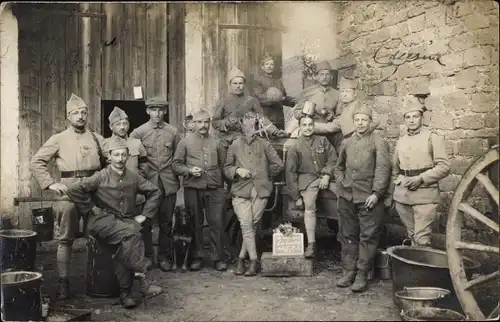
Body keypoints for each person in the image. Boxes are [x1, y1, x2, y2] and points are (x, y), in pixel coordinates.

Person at [65, 136, 163, 309]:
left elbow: (155, 192)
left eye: (123, 155)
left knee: (127, 242)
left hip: (124, 221)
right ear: (109, 156)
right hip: (102, 221)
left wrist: (145, 215)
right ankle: (141, 282)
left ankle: (125, 294)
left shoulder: (133, 177)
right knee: (131, 235)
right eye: (116, 155)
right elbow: (74, 189)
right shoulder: (100, 176)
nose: (120, 159)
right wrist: (91, 208)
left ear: (127, 156)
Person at [30, 93, 105, 300]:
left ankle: (96, 280)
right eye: (75, 113)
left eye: (83, 112)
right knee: (65, 240)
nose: (80, 116)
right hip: (69, 194)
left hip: (93, 193)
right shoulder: (59, 139)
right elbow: (37, 162)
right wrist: (51, 183)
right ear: (68, 117)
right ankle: (64, 281)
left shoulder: (97, 138)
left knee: (97, 236)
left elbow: (112, 159)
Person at [334, 103, 391, 293]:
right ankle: (349, 271)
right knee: (348, 235)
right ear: (353, 122)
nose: (360, 123)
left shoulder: (378, 141)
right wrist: (341, 182)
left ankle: (361, 274)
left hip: (368, 198)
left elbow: (383, 169)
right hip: (347, 197)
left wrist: (376, 193)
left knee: (368, 236)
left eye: (364, 120)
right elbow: (338, 166)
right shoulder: (347, 142)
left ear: (370, 122)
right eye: (357, 120)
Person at [223, 108, 284, 276]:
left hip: (260, 190)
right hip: (240, 190)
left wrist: (264, 175)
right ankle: (254, 260)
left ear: (257, 126)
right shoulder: (235, 145)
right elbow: (226, 168)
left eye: (253, 125)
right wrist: (237, 170)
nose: (249, 129)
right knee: (246, 224)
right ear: (241, 125)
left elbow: (278, 164)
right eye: (246, 125)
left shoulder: (264, 144)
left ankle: (241, 259)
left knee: (251, 225)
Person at [388, 96, 450, 247]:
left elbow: (444, 166)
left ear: (422, 118)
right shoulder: (401, 141)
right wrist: (395, 188)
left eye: (415, 116)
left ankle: (424, 268)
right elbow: (395, 169)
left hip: (425, 195)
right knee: (412, 236)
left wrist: (421, 178)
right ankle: (413, 268)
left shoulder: (432, 137)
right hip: (403, 196)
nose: (411, 120)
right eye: (408, 117)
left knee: (422, 239)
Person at [172, 109, 228, 271]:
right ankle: (197, 256)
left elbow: (224, 166)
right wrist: (189, 171)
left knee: (216, 223)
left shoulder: (217, 142)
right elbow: (176, 165)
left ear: (209, 123)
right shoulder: (185, 142)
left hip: (215, 188)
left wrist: (225, 186)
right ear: (192, 124)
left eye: (205, 122)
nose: (203, 125)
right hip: (193, 188)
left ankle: (217, 258)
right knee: (195, 223)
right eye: (199, 122)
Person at [130, 97, 181, 272]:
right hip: (147, 185)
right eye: (153, 110)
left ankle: (164, 256)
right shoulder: (138, 133)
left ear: (165, 112)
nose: (157, 114)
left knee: (167, 222)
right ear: (147, 111)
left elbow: (178, 158)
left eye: (160, 110)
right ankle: (147, 256)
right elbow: (133, 160)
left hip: (168, 182)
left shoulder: (173, 132)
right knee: (146, 222)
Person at [104, 106, 153, 269]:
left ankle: (143, 259)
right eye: (118, 124)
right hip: (112, 196)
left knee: (140, 228)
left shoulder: (136, 143)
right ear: (111, 126)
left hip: (135, 194)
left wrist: (136, 183)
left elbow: (144, 167)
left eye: (125, 123)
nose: (122, 127)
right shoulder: (105, 144)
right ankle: (117, 262)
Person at [285, 115, 338, 259]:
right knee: (309, 206)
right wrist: (296, 197)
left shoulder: (323, 140)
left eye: (310, 125)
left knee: (344, 196)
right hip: (307, 180)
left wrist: (327, 174)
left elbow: (333, 159)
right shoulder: (294, 146)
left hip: (325, 177)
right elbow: (290, 173)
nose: (308, 128)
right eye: (304, 125)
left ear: (313, 127)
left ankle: (346, 237)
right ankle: (312, 243)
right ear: (300, 127)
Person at [212, 67, 289, 153]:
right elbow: (215, 122)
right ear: (230, 84)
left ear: (244, 84)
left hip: (247, 138)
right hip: (227, 139)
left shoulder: (252, 100)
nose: (238, 86)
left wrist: (275, 131)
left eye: (240, 83)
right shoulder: (223, 100)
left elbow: (262, 120)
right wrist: (227, 122)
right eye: (235, 83)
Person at [293, 60, 343, 151]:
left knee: (341, 141)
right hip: (313, 130)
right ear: (316, 77)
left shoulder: (337, 94)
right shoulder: (307, 93)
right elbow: (296, 112)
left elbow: (340, 116)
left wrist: (332, 116)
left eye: (327, 74)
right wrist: (305, 112)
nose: (325, 77)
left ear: (331, 77)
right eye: (322, 74)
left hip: (331, 130)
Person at [251, 53, 296, 130]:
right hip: (266, 117)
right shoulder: (258, 81)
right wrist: (277, 98)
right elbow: (260, 98)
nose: (269, 66)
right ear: (262, 67)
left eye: (271, 64)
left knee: (280, 139)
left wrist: (295, 101)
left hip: (279, 117)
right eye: (267, 64)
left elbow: (284, 98)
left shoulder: (278, 82)